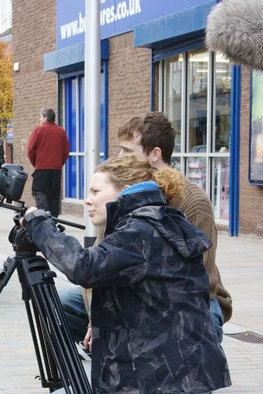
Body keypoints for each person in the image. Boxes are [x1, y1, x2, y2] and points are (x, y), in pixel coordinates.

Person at [21, 155, 231, 394]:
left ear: (122, 191)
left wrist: (40, 226)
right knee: (80, 381)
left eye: (95, 192)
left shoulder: (138, 232)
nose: (87, 201)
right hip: (187, 384)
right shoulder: (158, 220)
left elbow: (83, 267)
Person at [59, 112, 232, 344]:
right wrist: (96, 316)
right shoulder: (120, 194)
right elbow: (99, 264)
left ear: (155, 154)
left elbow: (195, 277)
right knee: (61, 303)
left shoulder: (192, 202)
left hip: (187, 298)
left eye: (128, 151)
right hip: (124, 290)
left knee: (202, 326)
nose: (120, 156)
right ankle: (80, 375)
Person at [27, 108, 70, 217]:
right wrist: (59, 164)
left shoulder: (39, 130)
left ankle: (43, 216)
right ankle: (54, 219)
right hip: (56, 169)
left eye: (40, 116)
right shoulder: (61, 131)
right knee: (54, 195)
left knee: (40, 192)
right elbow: (66, 151)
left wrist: (36, 163)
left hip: (41, 168)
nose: (39, 119)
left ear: (45, 117)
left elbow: (31, 149)